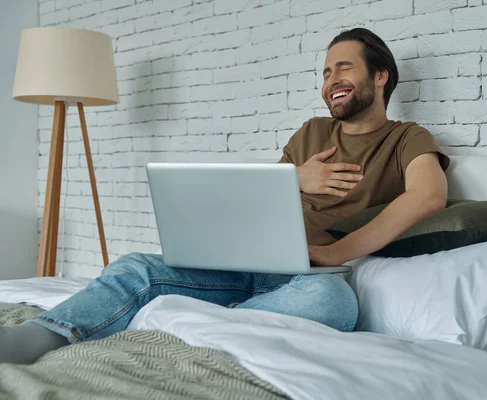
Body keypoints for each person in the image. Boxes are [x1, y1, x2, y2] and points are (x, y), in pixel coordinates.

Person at [0, 28, 449, 365]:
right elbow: (256, 201)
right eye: (326, 71)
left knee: (334, 305)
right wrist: (296, 179)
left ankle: (191, 323)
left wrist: (336, 252)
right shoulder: (312, 132)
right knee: (135, 266)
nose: (331, 79)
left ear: (381, 76)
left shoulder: (407, 137)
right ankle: (42, 336)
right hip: (246, 264)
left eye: (344, 67)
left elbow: (428, 197)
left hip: (308, 279)